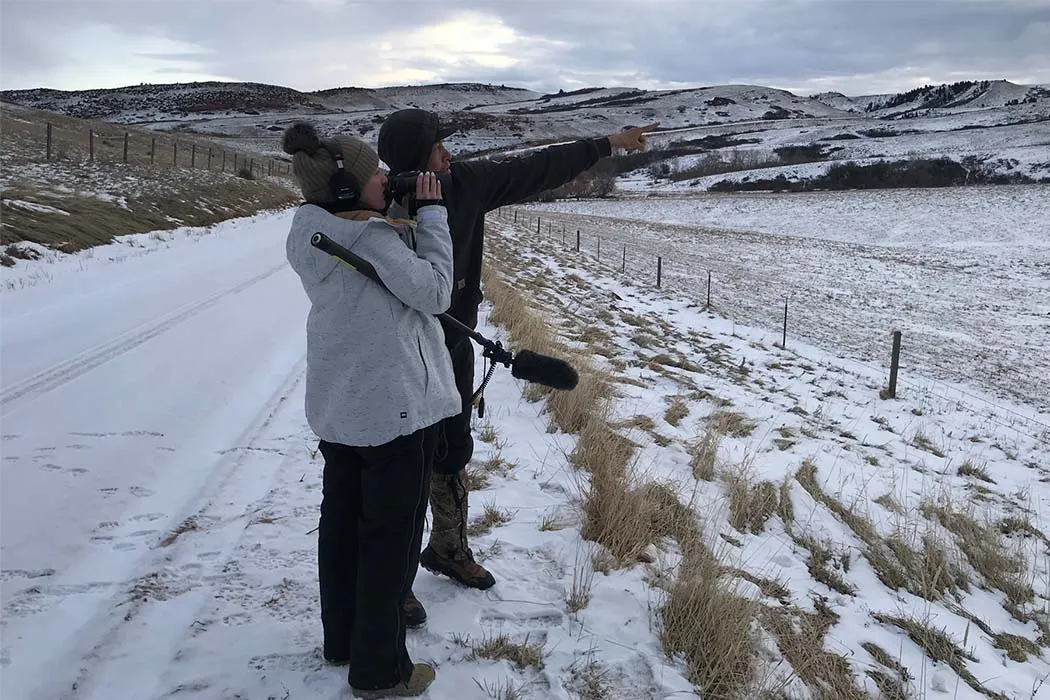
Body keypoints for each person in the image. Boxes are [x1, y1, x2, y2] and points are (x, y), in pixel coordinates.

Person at [377, 110, 656, 604]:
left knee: (452, 451)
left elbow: (539, 167)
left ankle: (447, 547)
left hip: (455, 345)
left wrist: (609, 143)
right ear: (416, 158)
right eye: (438, 147)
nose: (448, 153)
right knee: (401, 466)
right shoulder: (374, 202)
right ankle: (392, 580)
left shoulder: (465, 183)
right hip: (397, 354)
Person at [283, 121, 459, 698]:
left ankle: (344, 643)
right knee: (391, 541)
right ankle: (382, 671)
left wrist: (390, 218)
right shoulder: (375, 240)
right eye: (373, 173)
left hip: (340, 412)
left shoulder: (312, 233)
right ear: (345, 190)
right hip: (394, 416)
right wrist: (431, 217)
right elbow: (434, 295)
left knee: (340, 531)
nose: (385, 176)